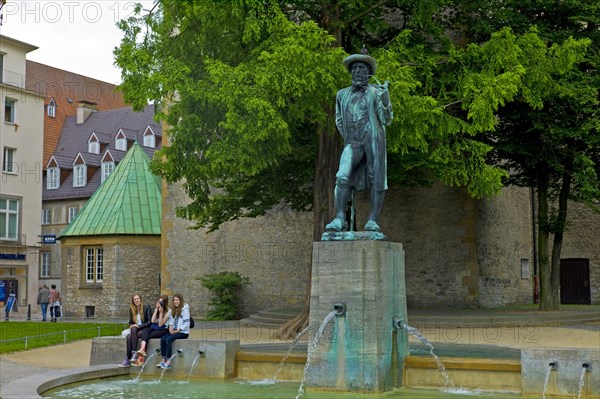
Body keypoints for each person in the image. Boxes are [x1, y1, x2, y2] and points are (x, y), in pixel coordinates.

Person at [325, 47, 393, 233]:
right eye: (354, 68)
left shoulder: (376, 92)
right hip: (352, 141)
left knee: (376, 177)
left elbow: (386, 119)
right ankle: (340, 218)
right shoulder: (342, 94)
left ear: (369, 72)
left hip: (373, 140)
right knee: (342, 176)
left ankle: (372, 219)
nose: (357, 71)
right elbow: (339, 120)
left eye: (362, 68)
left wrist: (385, 99)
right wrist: (349, 137)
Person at [131, 295, 171, 366]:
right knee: (145, 331)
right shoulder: (157, 309)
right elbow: (152, 321)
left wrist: (161, 313)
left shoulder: (168, 311)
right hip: (155, 326)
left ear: (165, 303)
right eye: (159, 301)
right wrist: (156, 310)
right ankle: (142, 349)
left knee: (147, 336)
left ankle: (141, 359)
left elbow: (160, 324)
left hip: (163, 329)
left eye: (161, 302)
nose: (160, 303)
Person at [156, 293, 190, 369]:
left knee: (168, 340)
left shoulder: (185, 309)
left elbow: (187, 323)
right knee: (163, 339)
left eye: (177, 300)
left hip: (183, 332)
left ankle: (168, 362)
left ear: (180, 301)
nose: (176, 302)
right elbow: (171, 320)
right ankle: (163, 360)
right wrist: (170, 327)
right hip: (174, 331)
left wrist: (178, 330)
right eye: (174, 300)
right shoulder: (174, 309)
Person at [119, 294, 152, 367]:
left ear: (140, 299)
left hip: (144, 328)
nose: (137, 300)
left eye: (138, 299)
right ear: (133, 301)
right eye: (135, 299)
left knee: (133, 331)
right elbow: (130, 321)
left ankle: (130, 357)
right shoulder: (132, 309)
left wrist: (139, 326)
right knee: (129, 337)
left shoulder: (146, 307)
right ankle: (130, 357)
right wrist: (131, 325)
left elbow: (149, 322)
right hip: (135, 329)